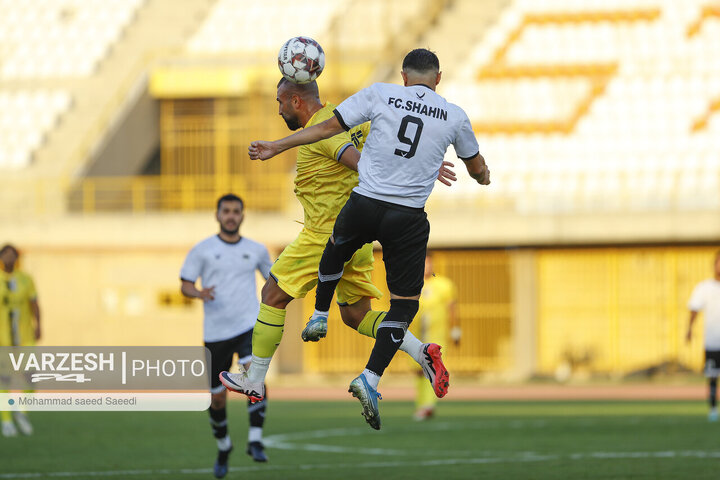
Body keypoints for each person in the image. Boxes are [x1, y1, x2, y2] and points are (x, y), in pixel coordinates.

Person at [240, 48, 490, 429]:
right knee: (373, 312)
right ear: (437, 79)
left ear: (403, 77)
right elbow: (472, 167)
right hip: (404, 218)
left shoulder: (375, 96)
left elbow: (339, 141)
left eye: (279, 102)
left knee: (273, 294)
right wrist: (475, 174)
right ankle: (411, 355)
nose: (278, 109)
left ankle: (255, 379)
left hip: (344, 219)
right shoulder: (454, 115)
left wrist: (275, 146)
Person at [180, 194, 273, 478]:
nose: (231, 216)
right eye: (226, 211)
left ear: (243, 216)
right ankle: (224, 447)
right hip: (216, 333)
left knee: (254, 380)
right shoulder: (203, 250)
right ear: (217, 215)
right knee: (217, 399)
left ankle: (255, 440)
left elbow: (273, 281)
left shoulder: (256, 250)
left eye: (236, 211)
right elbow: (185, 284)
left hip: (248, 326)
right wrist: (199, 292)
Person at [411, 253, 460, 421]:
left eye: (428, 263)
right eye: (423, 263)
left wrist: (455, 330)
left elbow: (452, 308)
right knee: (419, 372)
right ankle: (422, 403)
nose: (426, 266)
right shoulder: (411, 284)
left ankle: (428, 405)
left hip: (436, 336)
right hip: (416, 336)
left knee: (432, 369)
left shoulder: (443, 284)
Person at [0, 244, 40, 437]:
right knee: (4, 381)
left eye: (12, 255)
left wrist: (39, 324)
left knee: (31, 378)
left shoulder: (26, 279)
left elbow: (34, 303)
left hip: (25, 338)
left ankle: (22, 412)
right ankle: (6, 421)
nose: (9, 258)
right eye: (5, 255)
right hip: (3, 339)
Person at [686, 249, 720, 422]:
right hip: (713, 342)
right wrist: (689, 329)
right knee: (712, 376)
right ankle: (713, 409)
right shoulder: (705, 287)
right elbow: (694, 308)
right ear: (714, 264)